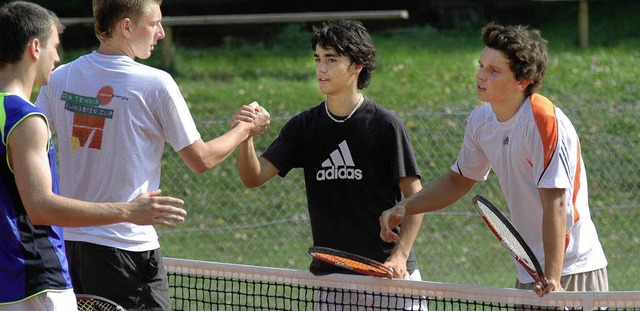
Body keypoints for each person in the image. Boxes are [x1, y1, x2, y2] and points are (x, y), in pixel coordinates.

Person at [34, 0, 269, 309]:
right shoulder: (156, 84)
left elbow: (33, 147)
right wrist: (244, 129)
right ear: (127, 27)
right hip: (127, 249)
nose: (160, 33)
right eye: (154, 23)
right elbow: (202, 159)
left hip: (68, 248)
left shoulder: (60, 78)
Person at [379, 22, 608, 298]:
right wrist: (405, 207)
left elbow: (555, 202)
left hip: (572, 270)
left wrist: (553, 278)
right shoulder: (481, 120)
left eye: (493, 71)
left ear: (521, 82)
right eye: (481, 66)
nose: (480, 76)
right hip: (530, 272)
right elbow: (457, 181)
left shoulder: (542, 120)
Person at [0, 1, 187, 310]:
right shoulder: (26, 119)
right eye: (54, 47)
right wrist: (128, 211)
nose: (58, 58)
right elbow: (41, 207)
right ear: (35, 48)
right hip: (36, 280)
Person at [235, 19, 426, 310]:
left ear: (357, 65)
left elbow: (416, 198)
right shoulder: (303, 127)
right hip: (334, 281)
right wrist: (244, 135)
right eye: (318, 59)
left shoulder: (386, 125)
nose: (321, 69)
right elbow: (253, 177)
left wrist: (400, 255)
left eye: (332, 60)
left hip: (388, 277)